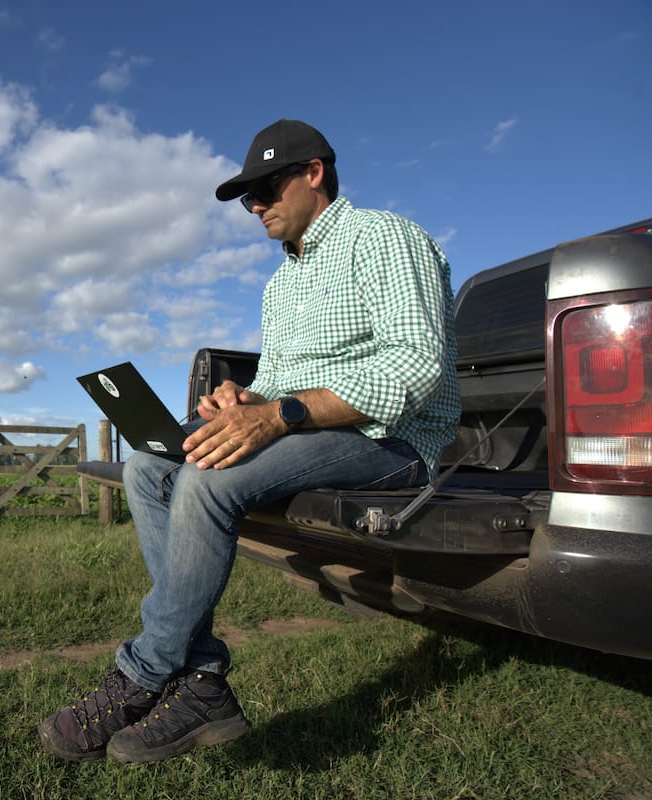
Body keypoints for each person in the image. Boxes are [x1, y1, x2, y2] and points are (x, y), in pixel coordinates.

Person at [38, 119, 462, 764]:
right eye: (246, 197)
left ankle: (144, 673)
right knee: (150, 467)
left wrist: (280, 414)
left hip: (391, 440)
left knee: (209, 479)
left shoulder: (385, 239)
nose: (255, 206)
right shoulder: (281, 282)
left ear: (314, 173)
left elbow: (416, 363)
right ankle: (203, 680)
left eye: (264, 187)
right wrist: (244, 400)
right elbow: (276, 383)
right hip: (315, 427)